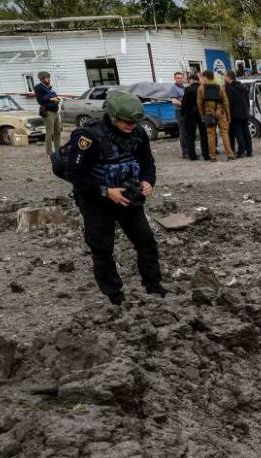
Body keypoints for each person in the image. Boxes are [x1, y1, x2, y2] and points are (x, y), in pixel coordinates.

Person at [62, 91, 164, 306]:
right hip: (96, 201)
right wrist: (106, 191)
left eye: (135, 122)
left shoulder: (138, 133)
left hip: (127, 198)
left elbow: (148, 163)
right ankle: (114, 296)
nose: (131, 126)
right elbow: (74, 173)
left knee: (145, 241)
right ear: (113, 116)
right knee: (102, 248)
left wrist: (147, 181)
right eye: (127, 121)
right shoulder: (88, 136)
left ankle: (153, 285)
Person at [197, 70, 233, 161]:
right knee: (224, 133)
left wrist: (202, 116)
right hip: (220, 112)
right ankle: (229, 154)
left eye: (202, 77)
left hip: (209, 114)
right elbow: (226, 102)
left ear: (205, 77)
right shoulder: (220, 87)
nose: (201, 79)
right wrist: (228, 115)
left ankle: (212, 156)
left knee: (211, 135)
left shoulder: (201, 88)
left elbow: (199, 104)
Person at [180, 72, 208, 161]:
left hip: (190, 114)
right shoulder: (203, 88)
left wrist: (183, 113)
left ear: (191, 80)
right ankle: (206, 154)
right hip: (201, 113)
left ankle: (192, 155)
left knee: (190, 135)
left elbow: (184, 103)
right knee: (203, 134)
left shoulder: (188, 89)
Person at [225, 69, 253, 157]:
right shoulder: (242, 86)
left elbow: (230, 102)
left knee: (239, 133)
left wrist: (228, 114)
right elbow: (247, 100)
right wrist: (247, 110)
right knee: (246, 132)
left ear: (228, 77)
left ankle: (241, 151)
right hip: (244, 113)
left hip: (235, 114)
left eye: (225, 76)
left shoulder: (229, 88)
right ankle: (249, 150)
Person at [34, 71, 61, 155]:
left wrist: (57, 99)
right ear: (42, 78)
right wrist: (51, 99)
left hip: (55, 111)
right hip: (48, 112)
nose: (49, 79)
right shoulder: (39, 88)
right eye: (47, 78)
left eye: (49, 77)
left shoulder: (49, 87)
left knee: (58, 131)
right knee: (50, 132)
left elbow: (54, 96)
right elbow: (40, 101)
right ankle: (49, 150)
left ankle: (57, 149)